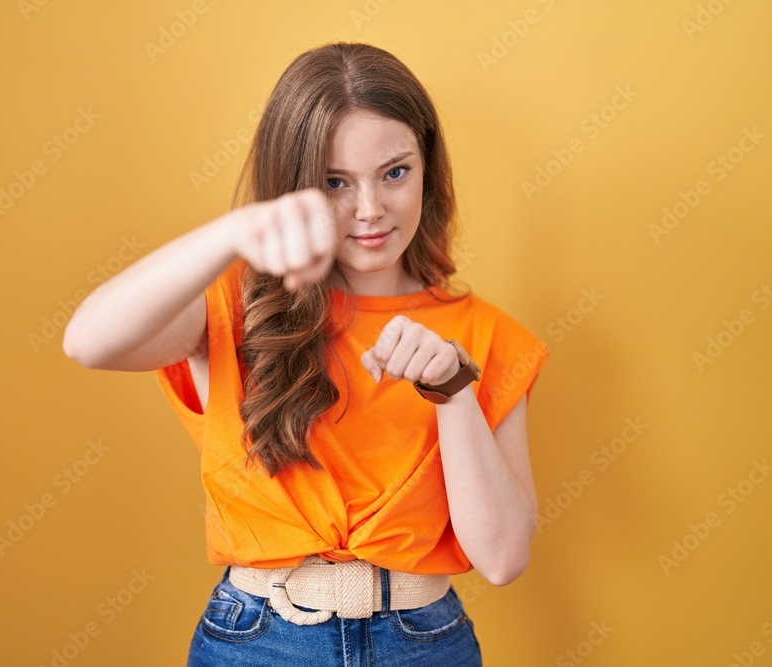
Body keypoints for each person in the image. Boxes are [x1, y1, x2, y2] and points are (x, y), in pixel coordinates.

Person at [62, 41, 549, 667]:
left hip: (426, 645)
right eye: (334, 183)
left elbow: (504, 558)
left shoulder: (487, 336)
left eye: (395, 172)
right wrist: (235, 233)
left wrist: (452, 388)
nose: (369, 209)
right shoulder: (236, 309)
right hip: (259, 641)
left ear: (428, 166)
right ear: (293, 189)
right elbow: (88, 341)